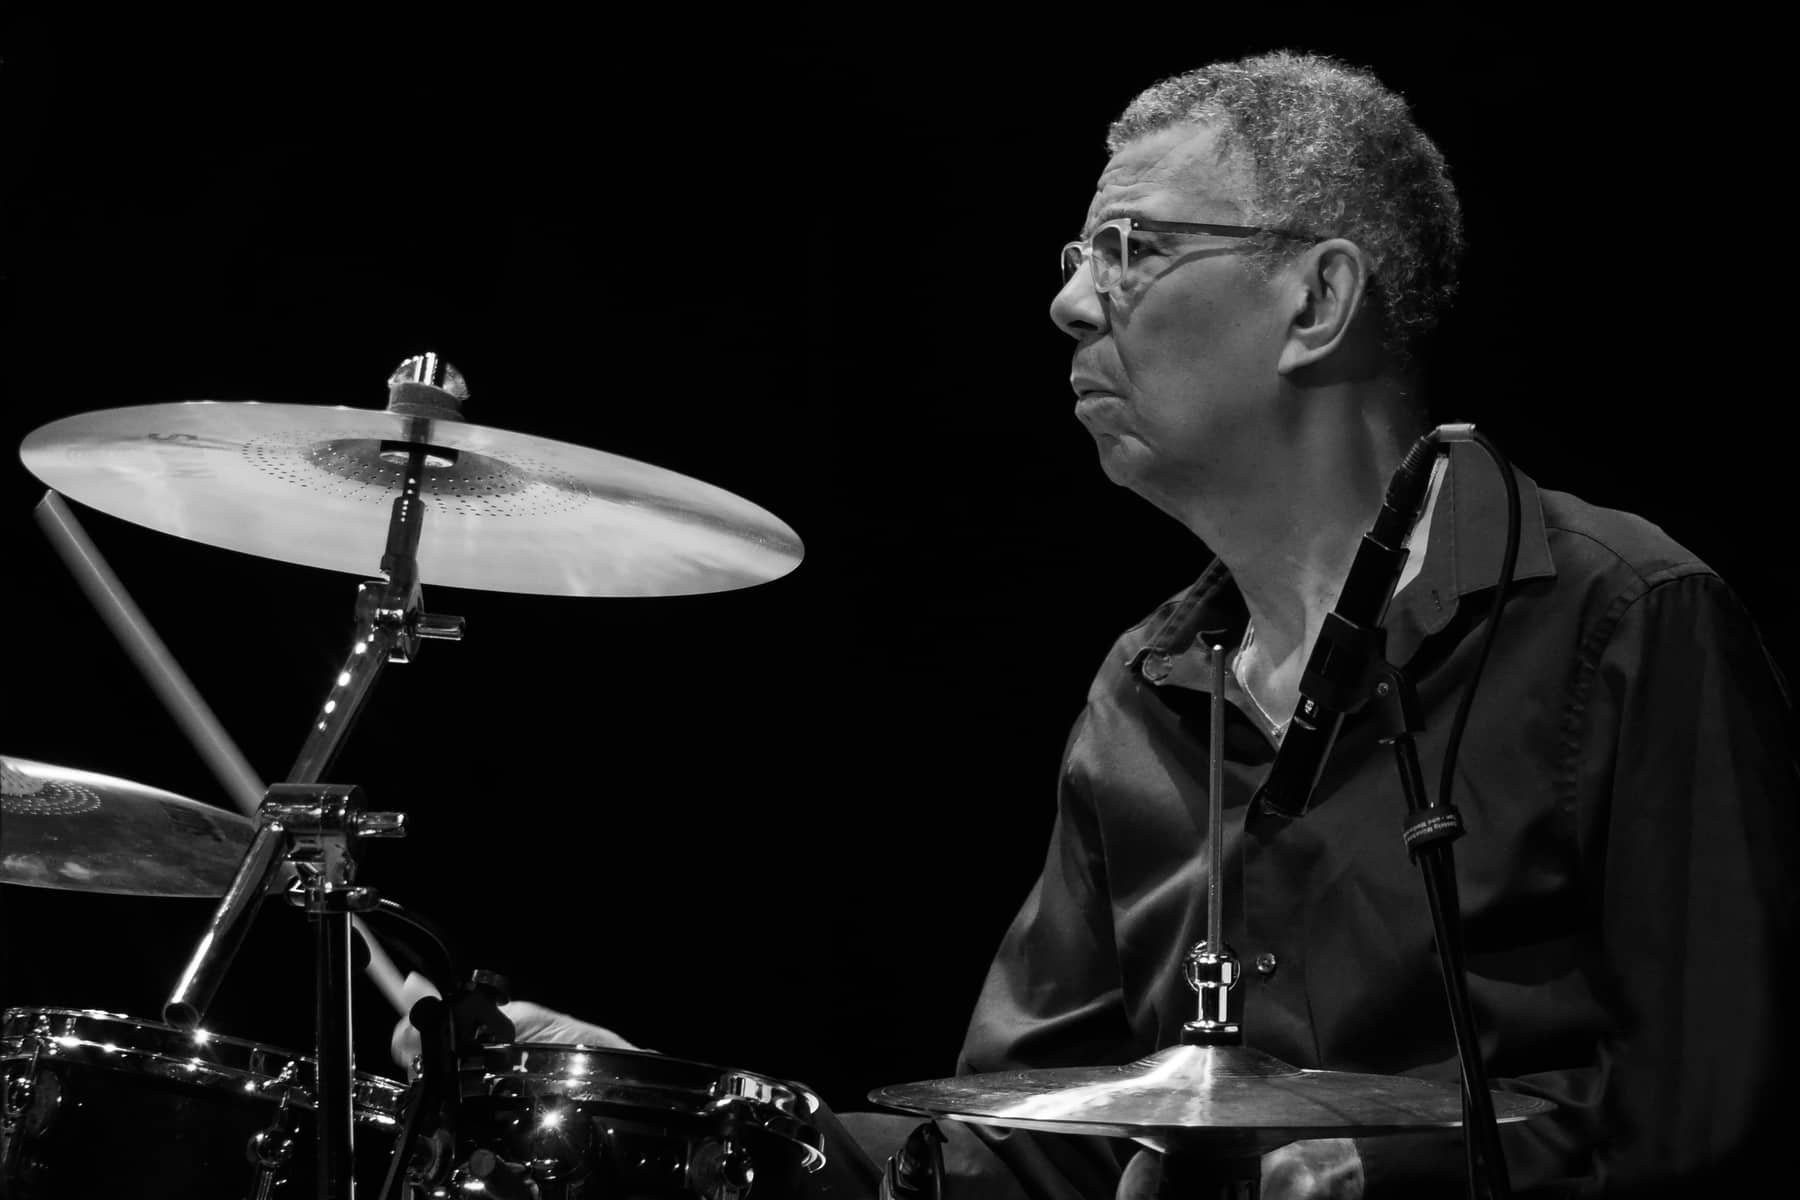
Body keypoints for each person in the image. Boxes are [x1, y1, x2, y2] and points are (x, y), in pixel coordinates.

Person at [395, 51, 1798, 1198]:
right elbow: (1025, 1148)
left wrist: (1378, 1173)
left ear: (1317, 299)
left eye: (1132, 249)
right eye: (1080, 253)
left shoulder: (1623, 619)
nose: (1070, 303)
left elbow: (1719, 1130)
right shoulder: (1148, 689)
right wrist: (671, 1111)